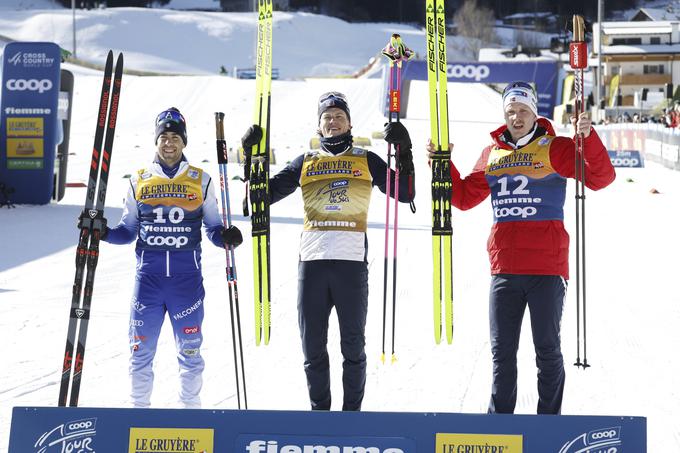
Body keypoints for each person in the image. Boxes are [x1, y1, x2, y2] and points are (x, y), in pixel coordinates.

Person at [427, 82, 615, 414]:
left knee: (547, 349)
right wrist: (442, 164)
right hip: (505, 267)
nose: (516, 117)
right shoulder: (492, 153)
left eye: (523, 111)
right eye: (511, 111)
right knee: (502, 352)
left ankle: (548, 423)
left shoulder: (555, 148)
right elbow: (464, 198)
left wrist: (588, 140)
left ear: (534, 113)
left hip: (547, 266)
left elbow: (601, 178)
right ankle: (500, 425)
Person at [241, 92, 415, 411]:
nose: (333, 122)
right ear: (318, 126)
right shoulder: (305, 162)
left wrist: (405, 150)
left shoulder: (366, 159)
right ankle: (319, 414)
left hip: (351, 266)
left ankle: (351, 415)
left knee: (353, 347)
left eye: (338, 116)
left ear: (349, 122)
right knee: (313, 348)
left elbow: (405, 193)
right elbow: (256, 200)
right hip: (313, 265)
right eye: (327, 117)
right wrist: (251, 157)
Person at [100, 107, 243, 408]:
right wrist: (103, 232)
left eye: (175, 138)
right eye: (163, 137)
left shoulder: (200, 180)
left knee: (190, 354)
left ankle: (189, 414)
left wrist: (226, 238)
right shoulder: (138, 180)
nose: (169, 143)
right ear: (155, 140)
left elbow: (213, 227)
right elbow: (127, 231)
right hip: (148, 283)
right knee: (140, 353)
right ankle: (139, 413)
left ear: (184, 142)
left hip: (186, 283)